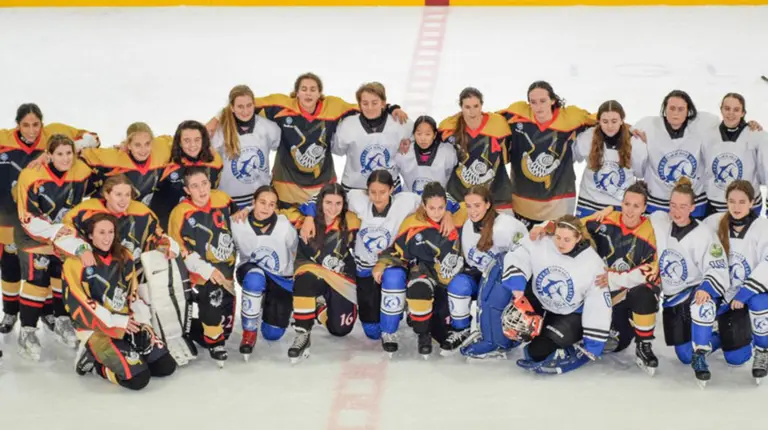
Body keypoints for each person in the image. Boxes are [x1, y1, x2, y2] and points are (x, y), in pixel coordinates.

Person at [205, 73, 407, 209]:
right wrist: (216, 118)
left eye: (313, 89)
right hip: (286, 187)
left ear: (320, 93)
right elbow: (243, 103)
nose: (308, 93)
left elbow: (367, 107)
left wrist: (391, 108)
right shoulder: (281, 104)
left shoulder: (334, 106)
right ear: (296, 92)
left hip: (321, 186)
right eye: (304, 89)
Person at [299, 170, 443, 342]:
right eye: (373, 192)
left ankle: (405, 307)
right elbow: (323, 196)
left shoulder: (405, 201)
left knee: (394, 282)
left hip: (392, 264)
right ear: (367, 191)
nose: (377, 197)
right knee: (372, 332)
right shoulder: (356, 198)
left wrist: (448, 213)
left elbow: (436, 199)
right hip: (365, 270)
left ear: (391, 190)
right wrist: (309, 216)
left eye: (382, 192)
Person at [0, 103, 98, 334]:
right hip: (8, 215)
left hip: (43, 215)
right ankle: (10, 312)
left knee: (46, 264)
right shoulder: (4, 139)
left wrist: (55, 151)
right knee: (11, 264)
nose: (32, 130)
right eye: (26, 125)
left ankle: (48, 312)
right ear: (17, 124)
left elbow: (93, 138)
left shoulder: (54, 133)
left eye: (36, 124)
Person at [64, 213, 176, 390]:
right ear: (90, 235)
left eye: (110, 232)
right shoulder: (74, 263)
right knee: (138, 379)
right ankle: (95, 364)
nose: (107, 237)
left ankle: (128, 350)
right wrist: (119, 322)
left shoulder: (124, 255)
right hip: (96, 328)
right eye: (101, 232)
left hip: (126, 322)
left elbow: (132, 294)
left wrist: (142, 323)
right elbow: (83, 304)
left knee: (165, 366)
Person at [14, 134, 99, 359]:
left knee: (62, 276)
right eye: (59, 154)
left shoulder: (81, 170)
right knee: (37, 280)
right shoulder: (31, 175)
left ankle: (62, 321)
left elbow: (95, 140)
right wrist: (55, 232)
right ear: (48, 155)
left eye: (69, 153)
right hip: (33, 234)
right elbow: (27, 216)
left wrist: (80, 144)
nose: (65, 158)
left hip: (64, 234)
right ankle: (27, 331)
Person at [564, 182, 661, 374]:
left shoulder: (653, 231)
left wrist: (613, 280)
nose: (630, 210)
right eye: (626, 204)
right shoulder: (605, 219)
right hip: (598, 293)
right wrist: (544, 228)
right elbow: (569, 228)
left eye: (636, 206)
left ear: (644, 208)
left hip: (625, 295)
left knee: (644, 295)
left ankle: (644, 345)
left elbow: (651, 270)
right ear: (621, 203)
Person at [499, 215, 611, 374]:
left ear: (578, 237)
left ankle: (573, 342)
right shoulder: (543, 241)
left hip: (569, 314)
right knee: (511, 330)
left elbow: (599, 305)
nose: (560, 243)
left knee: (535, 352)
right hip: (542, 302)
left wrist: (593, 344)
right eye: (558, 237)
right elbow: (519, 251)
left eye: (567, 239)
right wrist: (516, 285)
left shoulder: (593, 264)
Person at [647, 177, 729, 387]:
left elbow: (716, 265)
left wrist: (706, 288)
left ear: (693, 207)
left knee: (703, 303)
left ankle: (705, 351)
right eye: (673, 205)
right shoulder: (659, 220)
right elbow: (631, 218)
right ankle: (713, 336)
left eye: (683, 206)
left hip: (695, 291)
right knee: (684, 355)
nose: (676, 211)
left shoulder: (703, 233)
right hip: (673, 298)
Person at [373, 182, 464, 358]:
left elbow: (482, 210)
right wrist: (382, 263)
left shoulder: (458, 216)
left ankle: (448, 326)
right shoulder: (412, 224)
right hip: (425, 271)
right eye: (432, 208)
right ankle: (424, 334)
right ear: (423, 205)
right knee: (418, 289)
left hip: (451, 280)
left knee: (444, 333)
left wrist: (450, 213)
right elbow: (397, 250)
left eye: (441, 208)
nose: (436, 212)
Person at [442, 185, 528, 355]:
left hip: (505, 279)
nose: (472, 211)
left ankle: (495, 340)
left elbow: (524, 256)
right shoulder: (468, 224)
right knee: (458, 285)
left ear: (488, 204)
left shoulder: (506, 227)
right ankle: (462, 330)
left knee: (490, 292)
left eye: (477, 205)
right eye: (468, 206)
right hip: (481, 274)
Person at [499, 81, 595, 227]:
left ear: (553, 100)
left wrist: (630, 130)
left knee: (559, 246)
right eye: (533, 102)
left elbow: (606, 121)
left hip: (559, 204)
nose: (538, 107)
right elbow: (485, 120)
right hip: (523, 203)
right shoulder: (517, 114)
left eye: (543, 101)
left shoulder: (571, 118)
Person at [168, 166, 237, 367]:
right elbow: (179, 249)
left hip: (227, 272)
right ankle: (215, 343)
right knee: (213, 306)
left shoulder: (222, 199)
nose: (201, 190)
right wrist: (207, 270)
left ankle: (193, 329)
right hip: (200, 276)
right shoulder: (180, 213)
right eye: (195, 186)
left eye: (204, 183)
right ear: (187, 190)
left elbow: (237, 220)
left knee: (225, 330)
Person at [703, 180, 768, 383]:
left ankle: (762, 348)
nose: (736, 207)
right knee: (735, 358)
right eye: (732, 201)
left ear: (752, 203)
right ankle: (724, 332)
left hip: (751, 294)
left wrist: (744, 293)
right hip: (727, 296)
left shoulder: (762, 227)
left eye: (742, 201)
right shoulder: (714, 223)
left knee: (759, 302)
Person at [289, 184, 361, 363]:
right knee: (304, 279)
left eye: (338, 203)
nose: (333, 208)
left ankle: (320, 306)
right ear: (320, 202)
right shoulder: (304, 219)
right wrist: (308, 215)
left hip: (340, 278)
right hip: (313, 271)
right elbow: (276, 210)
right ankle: (302, 332)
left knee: (340, 330)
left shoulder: (352, 221)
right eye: (328, 202)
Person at [231, 185, 297, 360]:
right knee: (255, 278)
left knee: (272, 334)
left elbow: (297, 251)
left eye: (271, 204)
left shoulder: (283, 225)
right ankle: (249, 332)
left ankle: (267, 303)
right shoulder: (238, 223)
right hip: (251, 271)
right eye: (262, 202)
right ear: (253, 203)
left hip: (280, 279)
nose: (266, 208)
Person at [59, 174, 179, 269]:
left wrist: (168, 247)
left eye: (127, 195)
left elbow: (157, 235)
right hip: (94, 272)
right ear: (106, 194)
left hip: (130, 276)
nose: (123, 200)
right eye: (118, 194)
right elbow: (64, 233)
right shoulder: (85, 211)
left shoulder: (143, 212)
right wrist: (81, 249)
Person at [440, 88, 513, 214]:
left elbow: (509, 154)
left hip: (497, 196)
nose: (472, 111)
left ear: (481, 105)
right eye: (467, 107)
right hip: (459, 198)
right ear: (461, 107)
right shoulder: (448, 128)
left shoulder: (498, 124)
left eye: (476, 106)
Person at [333, 82, 412, 192]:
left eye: (374, 103)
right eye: (365, 103)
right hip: (355, 188)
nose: (370, 108)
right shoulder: (347, 124)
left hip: (389, 187)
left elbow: (419, 138)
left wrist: (409, 143)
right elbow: (338, 150)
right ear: (359, 104)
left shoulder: (400, 122)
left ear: (383, 103)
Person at [573, 100, 647, 217]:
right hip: (589, 203)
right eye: (605, 121)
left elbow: (640, 172)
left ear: (622, 120)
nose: (610, 126)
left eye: (614, 121)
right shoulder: (588, 136)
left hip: (619, 206)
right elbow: (573, 157)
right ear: (598, 121)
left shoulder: (634, 141)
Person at [211, 85, 281, 209]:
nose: (245, 111)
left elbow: (283, 153)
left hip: (260, 199)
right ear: (232, 107)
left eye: (249, 105)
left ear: (254, 104)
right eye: (240, 106)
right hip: (230, 200)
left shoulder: (269, 127)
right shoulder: (220, 130)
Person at [702, 93, 768, 216]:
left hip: (748, 206)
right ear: (721, 109)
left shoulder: (756, 135)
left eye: (736, 110)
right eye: (727, 108)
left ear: (743, 113)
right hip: (715, 205)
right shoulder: (708, 134)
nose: (731, 113)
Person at [79, 122, 173, 206]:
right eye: (137, 145)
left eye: (147, 144)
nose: (143, 150)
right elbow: (84, 155)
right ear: (128, 145)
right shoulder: (114, 157)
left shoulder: (161, 149)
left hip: (145, 209)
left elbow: (175, 140)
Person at [151, 120, 223, 229]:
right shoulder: (167, 159)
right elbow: (143, 143)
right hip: (165, 226)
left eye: (197, 140)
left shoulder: (214, 163)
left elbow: (213, 193)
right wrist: (125, 146)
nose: (192, 145)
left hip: (196, 227)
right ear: (179, 142)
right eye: (187, 140)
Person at [395, 115, 457, 195]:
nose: (423, 138)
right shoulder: (404, 151)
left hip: (438, 205)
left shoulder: (448, 152)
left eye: (427, 134)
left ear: (434, 135)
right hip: (411, 203)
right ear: (413, 134)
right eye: (419, 134)